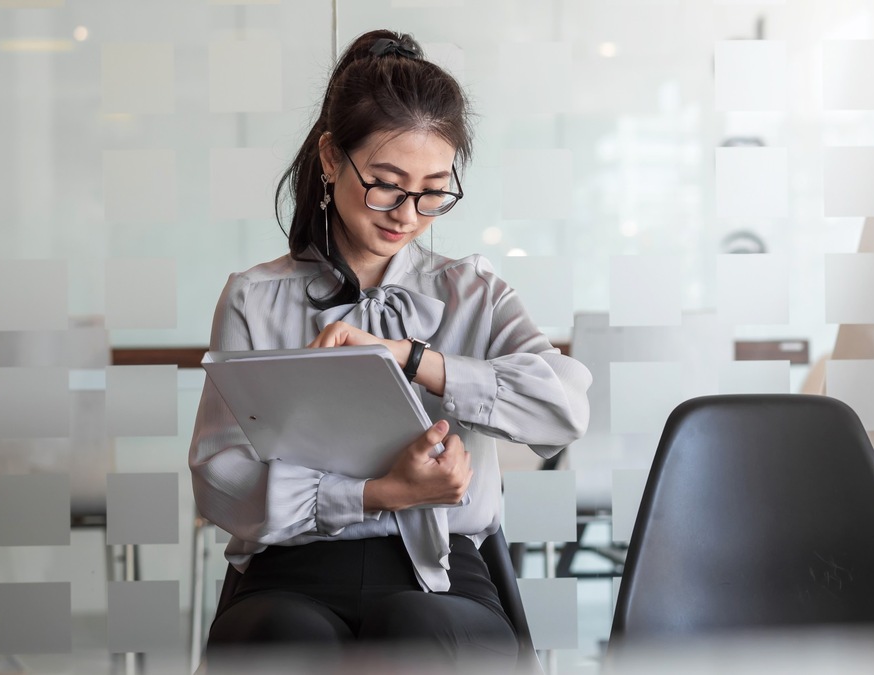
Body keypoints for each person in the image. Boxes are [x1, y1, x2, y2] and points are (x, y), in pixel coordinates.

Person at [190, 29, 592, 671]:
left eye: (434, 189)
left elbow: (563, 406)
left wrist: (411, 357)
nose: (408, 213)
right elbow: (219, 481)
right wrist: (378, 492)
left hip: (441, 570)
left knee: (415, 630)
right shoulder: (253, 298)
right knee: (282, 638)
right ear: (329, 157)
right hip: (291, 570)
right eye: (386, 184)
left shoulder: (473, 292)